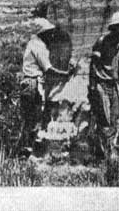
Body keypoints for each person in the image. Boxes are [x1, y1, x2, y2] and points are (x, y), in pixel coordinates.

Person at [18, 18, 74, 157]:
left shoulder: (32, 43)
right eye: (49, 33)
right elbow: (48, 69)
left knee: (28, 119)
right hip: (34, 84)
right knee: (35, 118)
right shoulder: (39, 46)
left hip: (28, 83)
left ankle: (24, 151)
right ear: (43, 33)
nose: (51, 35)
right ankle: (29, 152)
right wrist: (66, 74)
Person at [88, 12, 119, 160]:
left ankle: (107, 152)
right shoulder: (102, 41)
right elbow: (93, 65)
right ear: (112, 28)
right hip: (101, 85)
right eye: (117, 28)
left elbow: (118, 69)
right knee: (104, 119)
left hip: (113, 86)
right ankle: (104, 155)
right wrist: (93, 88)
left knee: (113, 119)